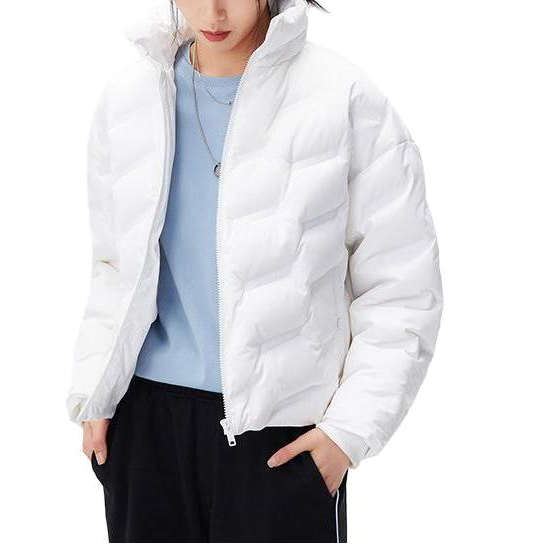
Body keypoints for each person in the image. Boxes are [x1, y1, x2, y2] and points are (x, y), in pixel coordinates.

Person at [66, 0, 444, 541]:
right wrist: (95, 393)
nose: (213, 12)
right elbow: (113, 264)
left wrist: (348, 432)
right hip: (145, 421)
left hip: (280, 434)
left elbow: (403, 285)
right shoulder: (131, 98)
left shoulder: (342, 96)